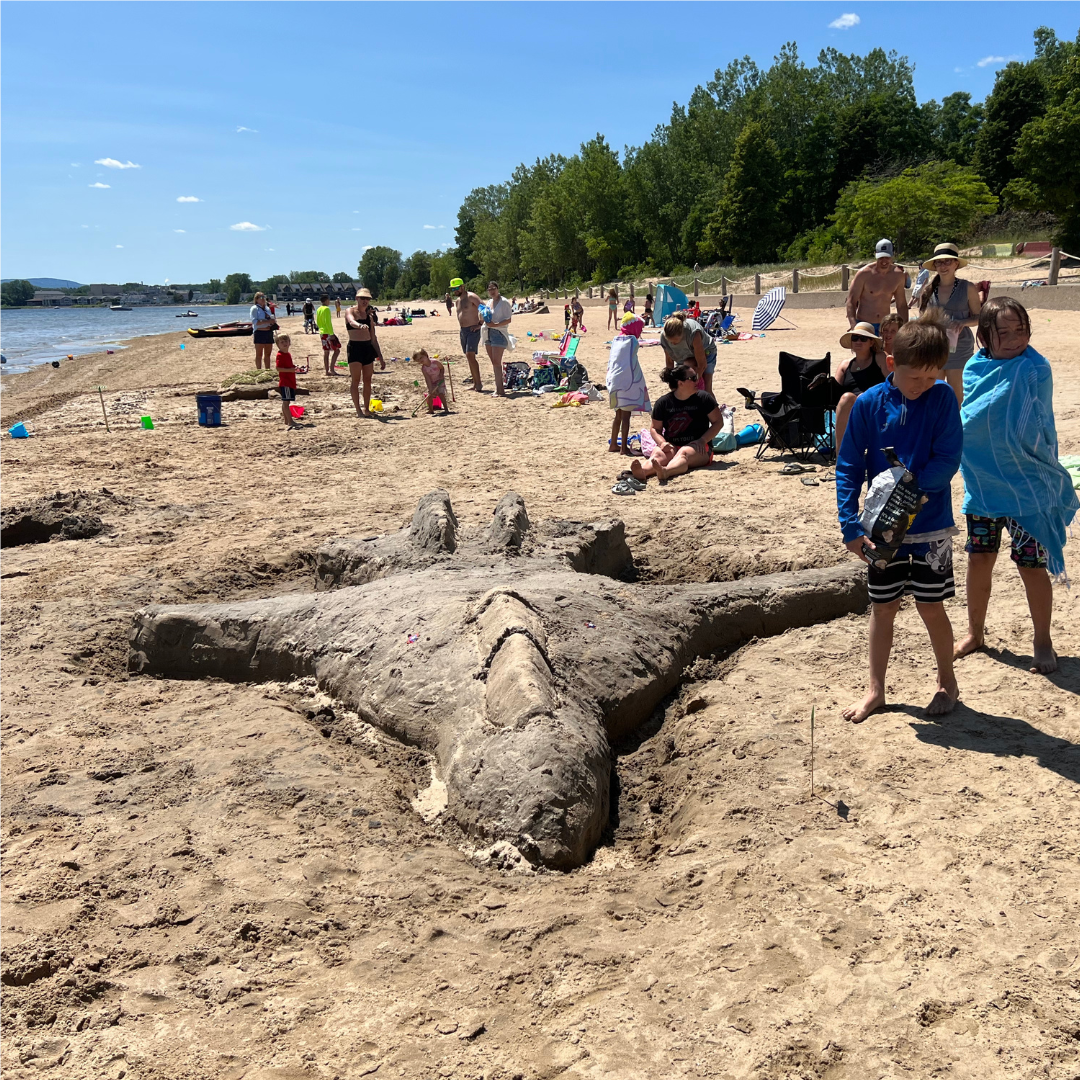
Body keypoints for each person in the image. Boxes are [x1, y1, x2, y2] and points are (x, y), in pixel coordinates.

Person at [836, 314, 963, 724]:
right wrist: (849, 524)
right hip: (880, 532)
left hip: (930, 527)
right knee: (883, 607)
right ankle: (876, 688)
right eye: (915, 379)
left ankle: (947, 682)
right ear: (891, 364)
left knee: (931, 606)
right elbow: (849, 466)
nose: (924, 387)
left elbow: (948, 458)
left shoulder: (942, 399)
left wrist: (910, 495)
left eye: (932, 378)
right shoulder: (869, 404)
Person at [954, 298, 1079, 674]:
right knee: (979, 560)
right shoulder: (975, 366)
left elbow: (1031, 422)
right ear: (984, 337)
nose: (1013, 338)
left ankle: (1043, 641)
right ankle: (975, 633)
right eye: (1002, 332)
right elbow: (971, 414)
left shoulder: (1035, 368)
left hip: (1026, 484)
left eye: (1020, 330)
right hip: (982, 483)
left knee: (1031, 565)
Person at [629, 364, 722, 484]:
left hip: (698, 447)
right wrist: (662, 443)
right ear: (680, 383)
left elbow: (718, 422)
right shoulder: (663, 402)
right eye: (693, 378)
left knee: (684, 453)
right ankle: (643, 472)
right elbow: (655, 429)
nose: (697, 380)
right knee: (658, 454)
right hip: (672, 444)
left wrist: (702, 440)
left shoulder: (704, 398)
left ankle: (666, 471)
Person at [917, 242, 982, 405]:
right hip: (935, 346)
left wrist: (962, 322)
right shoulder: (928, 290)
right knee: (933, 393)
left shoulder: (967, 287)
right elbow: (922, 319)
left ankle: (957, 428)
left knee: (956, 395)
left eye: (947, 261)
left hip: (959, 347)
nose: (943, 265)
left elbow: (980, 317)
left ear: (956, 264)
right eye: (939, 262)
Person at [831, 321, 888, 454]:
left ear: (871, 342)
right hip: (848, 407)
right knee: (847, 398)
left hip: (875, 404)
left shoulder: (879, 358)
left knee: (861, 397)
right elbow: (834, 392)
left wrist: (868, 394)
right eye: (855, 338)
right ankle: (840, 453)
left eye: (863, 338)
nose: (858, 341)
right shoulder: (845, 365)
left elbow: (892, 382)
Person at [606, 314, 650, 454]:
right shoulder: (632, 341)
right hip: (628, 382)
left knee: (618, 415)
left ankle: (613, 443)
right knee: (626, 417)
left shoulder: (616, 339)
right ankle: (624, 448)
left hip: (614, 381)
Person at [846, 239, 909, 331]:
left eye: (887, 257)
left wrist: (905, 326)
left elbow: (901, 304)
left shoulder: (898, 275)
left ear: (892, 255)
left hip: (885, 326)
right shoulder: (864, 274)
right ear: (875, 254)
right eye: (881, 257)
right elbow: (851, 301)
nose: (884, 261)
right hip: (864, 324)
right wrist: (853, 324)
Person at [344, 288, 385, 417]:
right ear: (357, 299)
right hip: (355, 348)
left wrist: (380, 357)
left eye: (367, 299)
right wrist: (359, 325)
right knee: (355, 380)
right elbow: (351, 321)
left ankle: (367, 409)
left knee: (367, 380)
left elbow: (374, 339)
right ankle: (358, 410)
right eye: (362, 298)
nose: (365, 301)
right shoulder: (350, 311)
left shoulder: (369, 317)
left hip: (367, 348)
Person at [660, 311, 717, 395]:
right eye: (670, 342)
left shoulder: (693, 334)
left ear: (682, 335)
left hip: (706, 353)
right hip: (682, 356)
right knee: (680, 390)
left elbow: (702, 364)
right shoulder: (664, 338)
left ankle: (713, 407)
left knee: (706, 389)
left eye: (675, 342)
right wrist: (673, 386)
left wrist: (695, 380)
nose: (672, 344)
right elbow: (669, 362)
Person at [452, 277, 485, 391]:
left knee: (470, 355)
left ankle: (479, 383)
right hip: (463, 331)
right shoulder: (457, 301)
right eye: (453, 289)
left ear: (462, 286)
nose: (454, 291)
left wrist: (480, 323)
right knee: (468, 357)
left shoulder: (471, 296)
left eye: (456, 288)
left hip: (473, 329)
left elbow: (483, 307)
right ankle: (475, 383)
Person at [482, 281, 512, 397]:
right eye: (489, 289)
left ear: (498, 289)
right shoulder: (489, 302)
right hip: (488, 332)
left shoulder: (504, 302)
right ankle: (498, 388)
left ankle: (500, 389)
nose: (492, 291)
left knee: (496, 362)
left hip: (499, 332)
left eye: (493, 288)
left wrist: (496, 325)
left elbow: (508, 319)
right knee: (494, 362)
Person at [274, 334, 301, 431]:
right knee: (286, 402)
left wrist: (295, 368)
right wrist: (291, 370)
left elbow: (289, 366)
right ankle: (290, 421)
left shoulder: (287, 354)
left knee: (287, 401)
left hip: (290, 381)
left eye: (286, 341)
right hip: (285, 382)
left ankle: (286, 420)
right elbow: (278, 368)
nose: (285, 344)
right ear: (278, 345)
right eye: (282, 342)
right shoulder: (280, 355)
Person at [416, 348, 451, 415]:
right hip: (432, 382)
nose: (420, 360)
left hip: (440, 381)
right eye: (418, 360)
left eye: (421, 358)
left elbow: (442, 368)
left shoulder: (435, 362)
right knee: (430, 396)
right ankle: (431, 410)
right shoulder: (424, 369)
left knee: (441, 394)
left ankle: (446, 409)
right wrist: (430, 388)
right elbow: (427, 379)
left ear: (426, 355)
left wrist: (441, 375)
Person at [315, 294, 341, 377]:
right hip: (327, 332)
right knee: (336, 350)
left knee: (326, 352)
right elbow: (328, 322)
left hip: (322, 332)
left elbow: (318, 321)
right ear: (326, 300)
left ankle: (327, 371)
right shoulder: (326, 309)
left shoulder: (319, 309)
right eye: (329, 300)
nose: (329, 301)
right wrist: (331, 333)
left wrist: (320, 329)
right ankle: (332, 369)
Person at [249, 291, 275, 370]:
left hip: (268, 332)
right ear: (256, 299)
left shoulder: (267, 308)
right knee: (259, 354)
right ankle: (259, 370)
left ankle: (267, 370)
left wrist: (272, 322)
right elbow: (255, 322)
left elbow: (270, 318)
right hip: (259, 332)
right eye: (261, 297)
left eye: (264, 297)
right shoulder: (254, 309)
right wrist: (267, 321)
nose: (263, 299)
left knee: (268, 354)